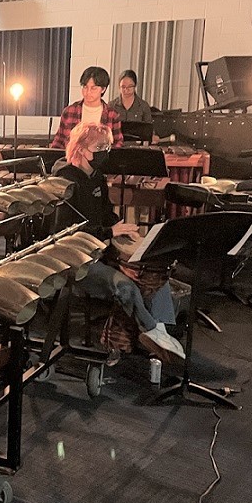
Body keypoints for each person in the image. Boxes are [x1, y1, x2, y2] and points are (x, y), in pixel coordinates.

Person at [56, 122, 185, 361]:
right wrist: (108, 232)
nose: (106, 151)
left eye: (107, 145)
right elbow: (66, 232)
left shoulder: (97, 177)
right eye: (100, 146)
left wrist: (122, 228)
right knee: (125, 286)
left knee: (156, 273)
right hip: (77, 257)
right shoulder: (65, 181)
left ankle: (161, 331)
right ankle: (153, 332)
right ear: (82, 149)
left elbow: (106, 214)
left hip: (102, 248)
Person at [49, 66, 123, 151]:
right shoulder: (69, 111)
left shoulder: (112, 115)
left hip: (101, 161)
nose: (88, 92)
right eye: (85, 87)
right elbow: (59, 141)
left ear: (103, 89)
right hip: (72, 160)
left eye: (93, 88)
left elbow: (118, 143)